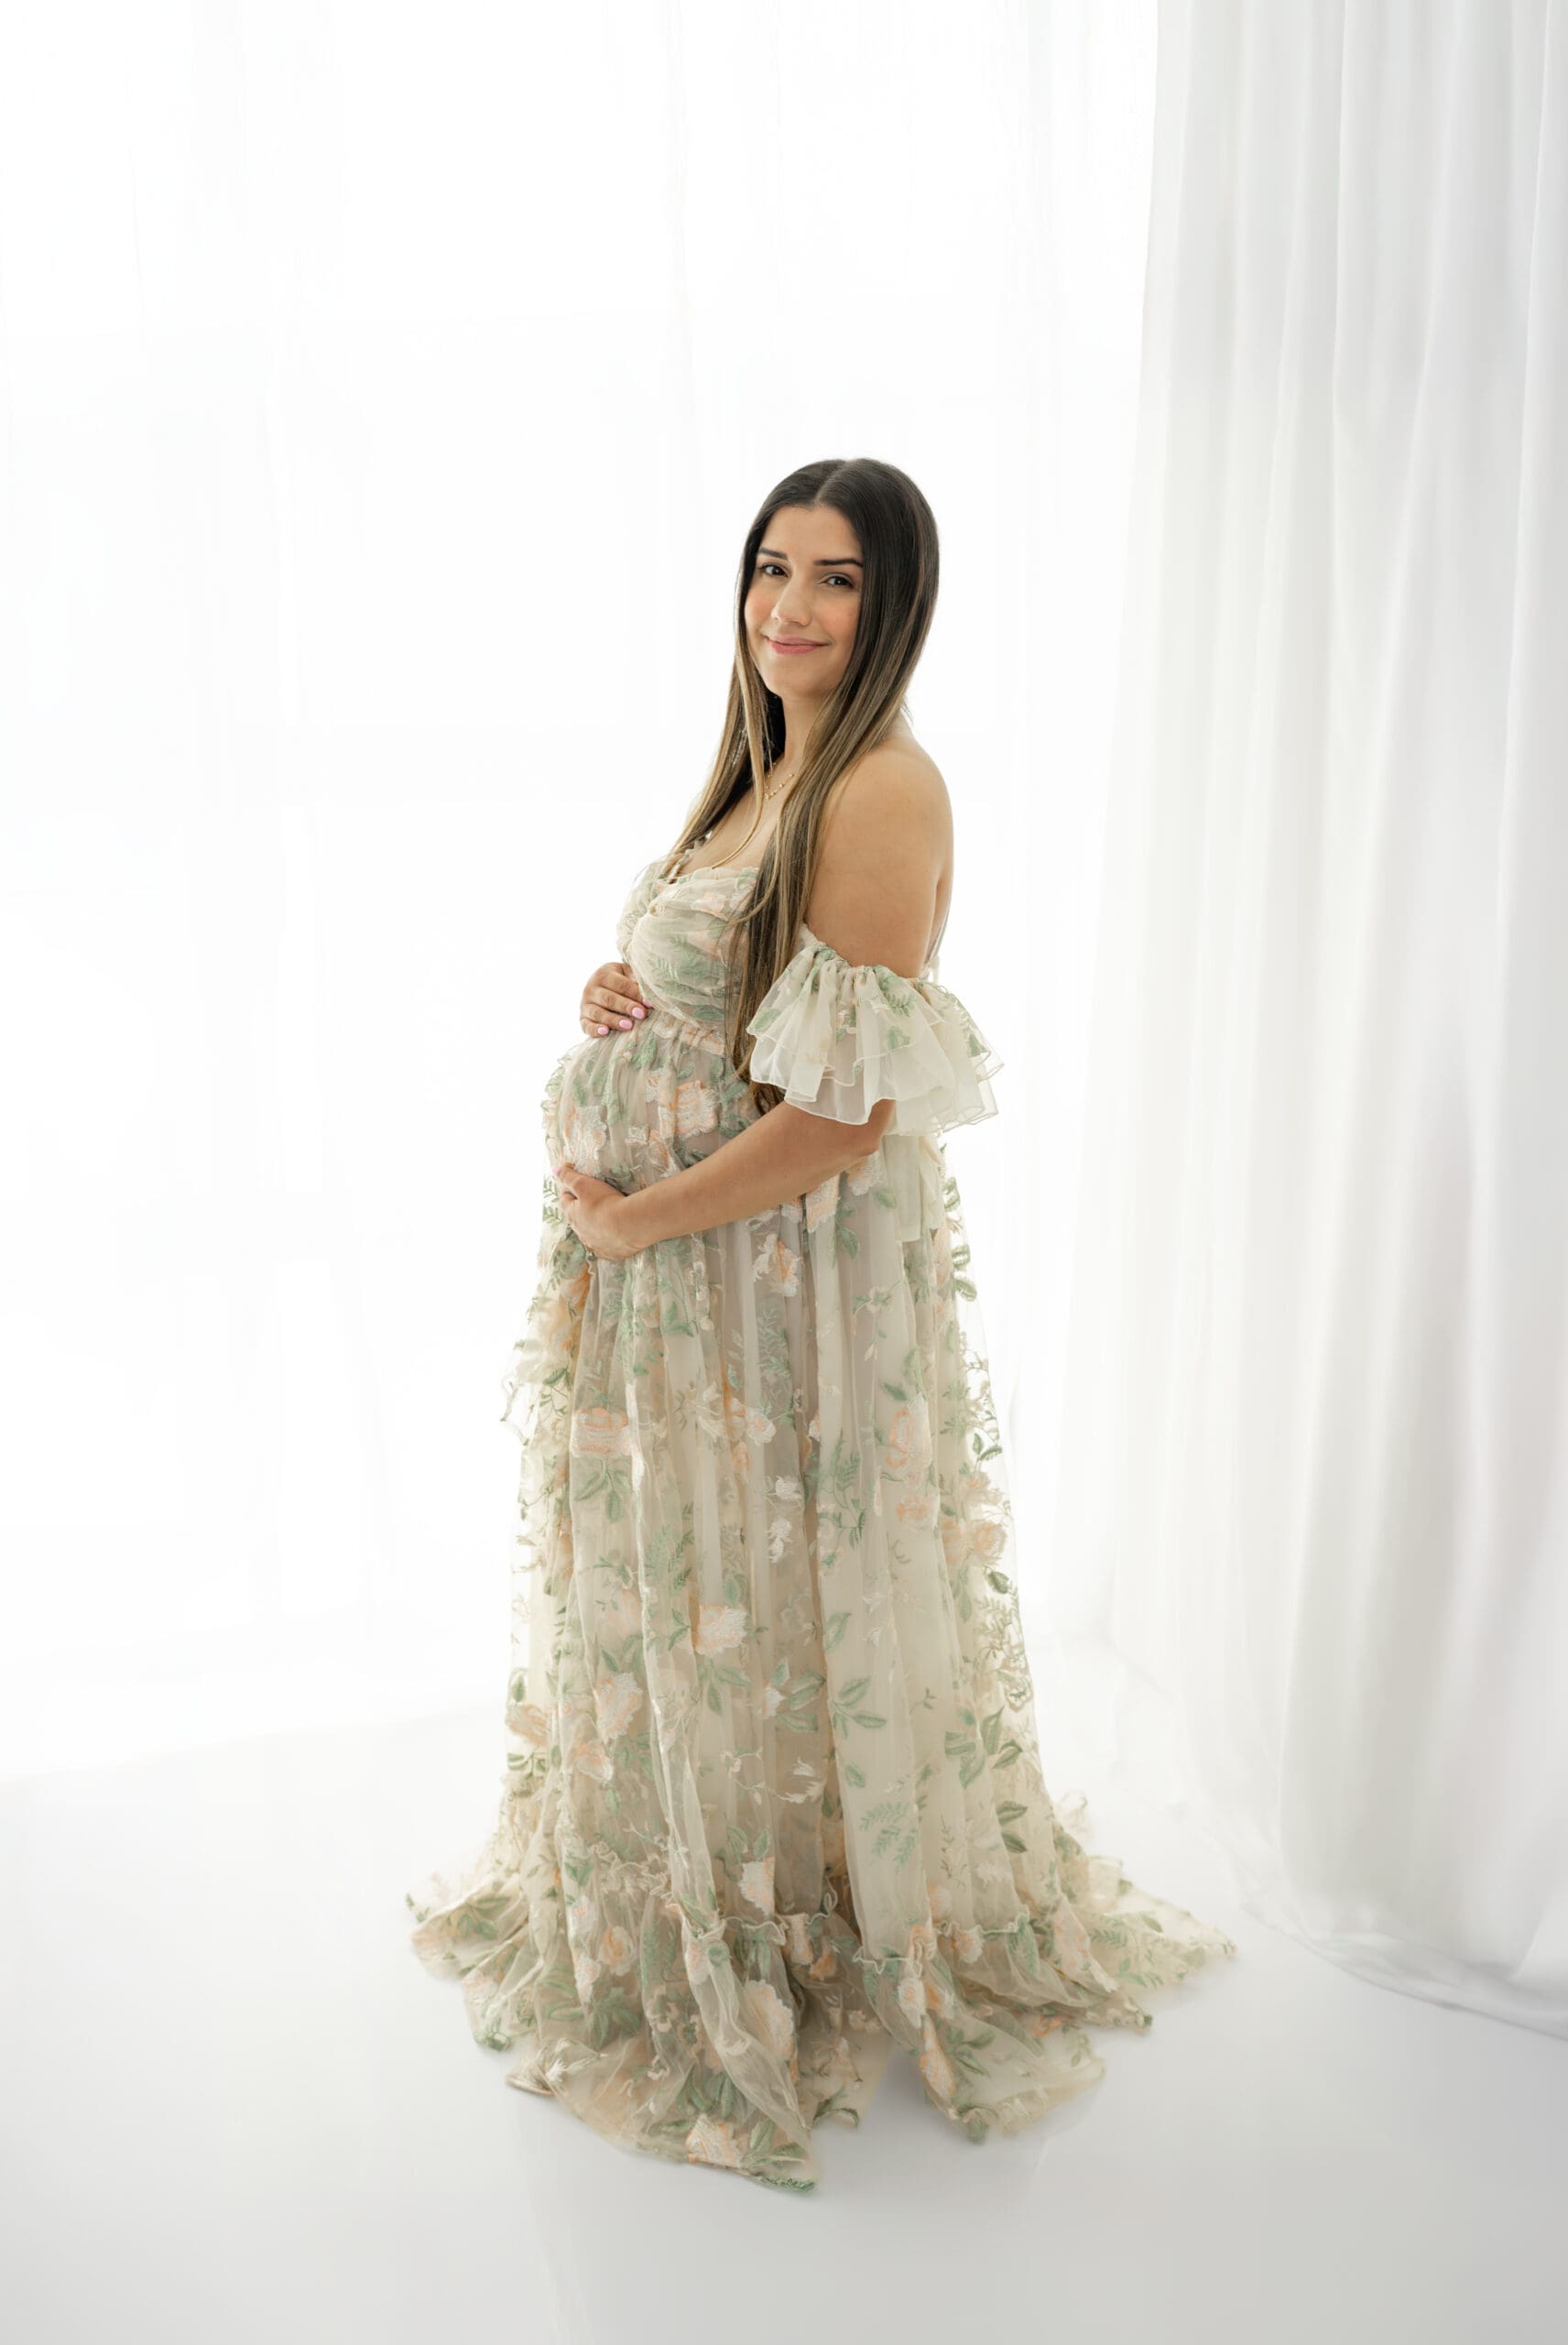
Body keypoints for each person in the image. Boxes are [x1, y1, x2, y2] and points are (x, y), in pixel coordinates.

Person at [406, 457, 1236, 2192]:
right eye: (770, 570)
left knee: (777, 1585)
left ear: (897, 603)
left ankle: (811, 1913)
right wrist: (622, 996)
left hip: (749, 1282)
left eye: (835, 580)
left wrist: (636, 1213)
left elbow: (849, 1115)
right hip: (686, 1293)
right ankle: (736, 1871)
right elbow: (741, 1015)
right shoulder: (762, 775)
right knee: (725, 1599)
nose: (789, 608)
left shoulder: (881, 789)